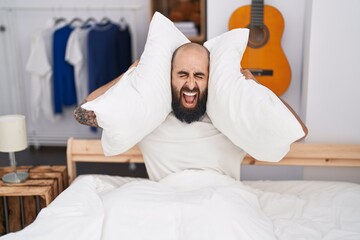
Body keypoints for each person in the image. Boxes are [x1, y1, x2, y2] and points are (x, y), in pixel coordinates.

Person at [74, 42, 308, 181]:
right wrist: (130, 75)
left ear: (210, 80)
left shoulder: (229, 118)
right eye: (182, 74)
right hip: (165, 203)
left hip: (224, 203)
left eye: (199, 76)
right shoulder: (150, 117)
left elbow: (298, 132)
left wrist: (255, 87)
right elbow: (83, 114)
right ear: (170, 76)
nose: (190, 85)